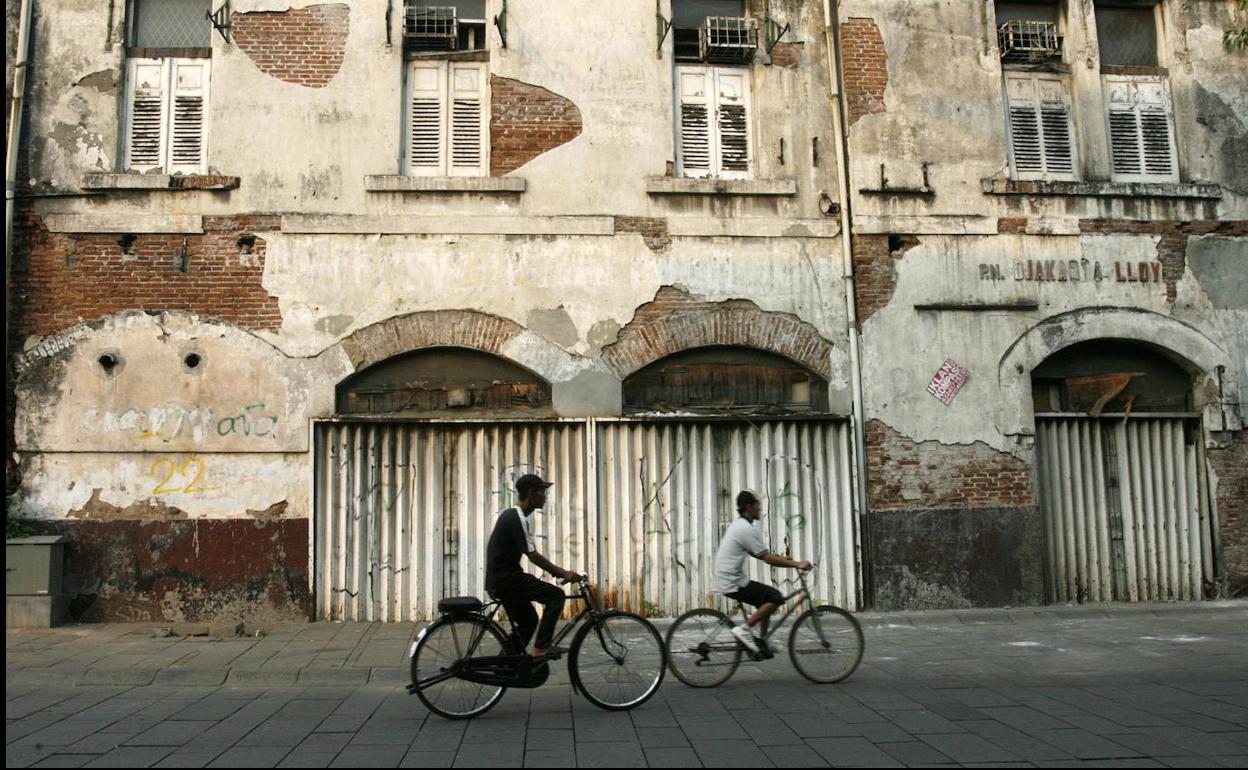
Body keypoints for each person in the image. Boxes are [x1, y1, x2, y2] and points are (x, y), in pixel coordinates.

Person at [484, 473, 580, 659]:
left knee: (529, 620)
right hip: (507, 580)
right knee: (556, 596)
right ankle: (541, 649)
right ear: (531, 494)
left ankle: (505, 663)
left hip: (501, 580)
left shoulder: (513, 516)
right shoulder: (516, 517)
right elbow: (534, 556)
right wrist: (564, 573)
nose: (545, 496)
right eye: (542, 492)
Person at [713, 489, 812, 657]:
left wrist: (783, 559)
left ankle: (762, 642)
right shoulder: (745, 528)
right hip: (732, 581)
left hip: (730, 578)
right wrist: (797, 564)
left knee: (765, 600)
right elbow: (767, 558)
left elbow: (759, 553)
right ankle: (744, 630)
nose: (759, 509)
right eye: (756, 505)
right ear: (748, 507)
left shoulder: (741, 526)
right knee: (775, 597)